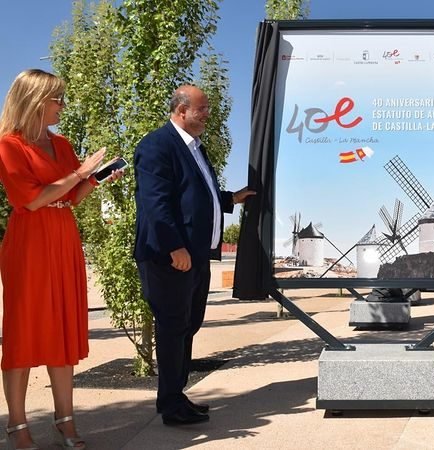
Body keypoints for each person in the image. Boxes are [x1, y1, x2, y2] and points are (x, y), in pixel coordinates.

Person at [0, 69, 123, 449]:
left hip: (63, 236)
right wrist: (80, 173)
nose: (62, 106)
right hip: (29, 242)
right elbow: (32, 199)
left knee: (62, 328)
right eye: (57, 99)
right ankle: (17, 425)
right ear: (35, 100)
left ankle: (65, 420)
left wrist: (96, 178)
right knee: (23, 331)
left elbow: (70, 197)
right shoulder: (9, 145)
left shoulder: (62, 144)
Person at [133, 85, 254, 426]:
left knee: (188, 325)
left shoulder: (196, 148)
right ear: (181, 110)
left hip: (195, 255)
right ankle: (170, 405)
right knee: (173, 327)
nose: (207, 115)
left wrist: (231, 199)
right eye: (202, 109)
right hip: (170, 256)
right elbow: (155, 203)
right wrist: (174, 246)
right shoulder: (157, 145)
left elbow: (197, 195)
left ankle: (177, 394)